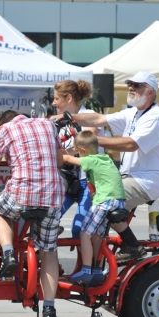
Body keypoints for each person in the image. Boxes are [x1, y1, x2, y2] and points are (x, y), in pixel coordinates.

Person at [64, 71, 159, 263]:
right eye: (130, 83)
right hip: (128, 177)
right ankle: (98, 266)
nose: (131, 87)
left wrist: (89, 141)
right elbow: (98, 119)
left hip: (145, 181)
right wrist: (66, 118)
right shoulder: (133, 113)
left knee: (98, 209)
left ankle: (125, 250)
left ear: (150, 92)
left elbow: (131, 144)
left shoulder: (156, 116)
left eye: (137, 85)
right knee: (96, 214)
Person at [0, 110, 64, 317]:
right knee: (49, 252)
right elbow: (59, 161)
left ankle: (8, 253)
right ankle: (49, 309)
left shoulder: (5, 129)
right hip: (52, 196)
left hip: (21, 193)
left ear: (3, 121)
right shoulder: (48, 125)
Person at [60, 131, 126, 286]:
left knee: (84, 234)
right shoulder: (105, 158)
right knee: (96, 235)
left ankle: (86, 269)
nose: (76, 155)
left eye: (77, 152)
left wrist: (54, 152)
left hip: (104, 201)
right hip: (118, 200)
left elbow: (67, 159)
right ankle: (97, 270)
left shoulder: (90, 160)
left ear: (83, 151)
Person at [52, 79, 98, 239]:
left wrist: (65, 153)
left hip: (88, 181)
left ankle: (88, 264)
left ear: (69, 98)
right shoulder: (60, 121)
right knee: (50, 219)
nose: (54, 102)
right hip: (69, 178)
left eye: (57, 98)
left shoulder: (90, 116)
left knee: (79, 229)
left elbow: (86, 141)